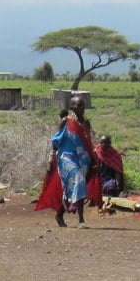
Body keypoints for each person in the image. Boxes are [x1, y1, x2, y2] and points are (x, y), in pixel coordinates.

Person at [35, 96, 100, 228]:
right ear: (71, 107)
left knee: (74, 187)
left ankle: (60, 214)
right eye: (76, 105)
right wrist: (50, 160)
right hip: (67, 158)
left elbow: (88, 143)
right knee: (79, 179)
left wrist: (94, 160)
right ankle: (81, 220)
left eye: (81, 105)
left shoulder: (86, 123)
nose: (79, 108)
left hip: (83, 159)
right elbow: (56, 142)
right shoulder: (66, 122)